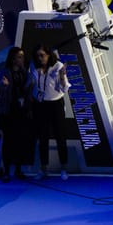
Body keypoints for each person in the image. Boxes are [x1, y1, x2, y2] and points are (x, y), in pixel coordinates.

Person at [30, 44, 71, 180]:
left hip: (56, 105)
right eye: (38, 56)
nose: (40, 58)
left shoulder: (58, 66)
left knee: (60, 137)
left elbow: (64, 89)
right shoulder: (34, 67)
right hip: (41, 105)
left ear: (49, 55)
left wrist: (62, 77)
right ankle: (43, 168)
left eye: (42, 55)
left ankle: (64, 168)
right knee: (43, 138)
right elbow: (33, 85)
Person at [0, 46, 34, 182]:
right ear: (13, 59)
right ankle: (6, 171)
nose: (22, 59)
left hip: (21, 112)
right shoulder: (4, 72)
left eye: (23, 56)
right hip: (8, 112)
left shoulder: (24, 73)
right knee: (8, 142)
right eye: (20, 57)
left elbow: (28, 89)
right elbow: (2, 89)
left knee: (20, 141)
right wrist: (5, 86)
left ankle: (18, 169)